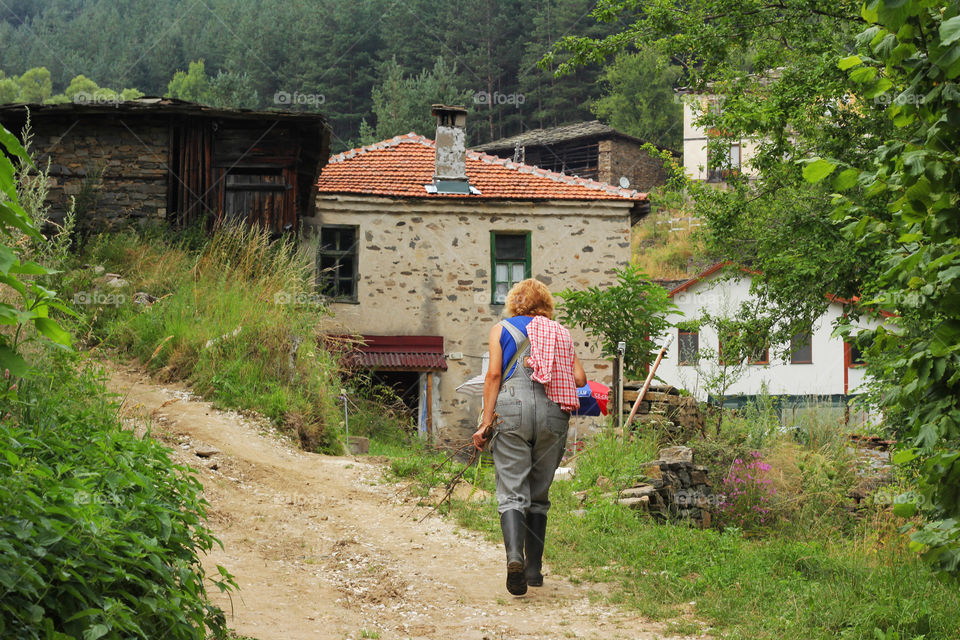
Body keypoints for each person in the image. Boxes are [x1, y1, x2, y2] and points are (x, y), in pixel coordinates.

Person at [472, 278, 586, 596]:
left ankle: (514, 558)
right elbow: (579, 379)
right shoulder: (560, 333)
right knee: (539, 493)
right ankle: (534, 572)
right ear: (546, 304)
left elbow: (494, 374)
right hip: (553, 414)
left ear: (514, 303)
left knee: (512, 490)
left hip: (511, 411)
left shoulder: (502, 329)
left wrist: (485, 421)